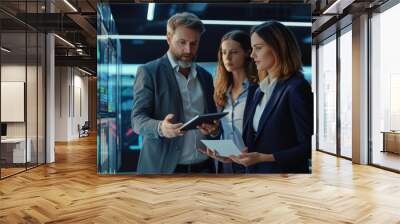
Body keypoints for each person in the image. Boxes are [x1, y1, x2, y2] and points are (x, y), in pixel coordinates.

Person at [203, 21, 313, 173]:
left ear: (277, 48)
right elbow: (254, 145)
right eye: (253, 49)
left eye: (258, 48)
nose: (253, 55)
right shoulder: (260, 91)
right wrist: (231, 157)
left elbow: (309, 147)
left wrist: (264, 158)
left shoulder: (296, 88)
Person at [131, 12, 220, 174]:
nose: (188, 49)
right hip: (164, 169)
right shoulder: (149, 72)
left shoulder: (205, 77)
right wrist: (160, 128)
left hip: (204, 167)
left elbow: (212, 120)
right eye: (182, 42)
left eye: (194, 43)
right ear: (169, 39)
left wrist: (214, 130)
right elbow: (137, 120)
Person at [198, 30, 258, 173]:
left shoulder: (258, 89)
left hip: (252, 163)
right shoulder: (221, 91)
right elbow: (225, 131)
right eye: (224, 52)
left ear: (247, 53)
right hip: (225, 163)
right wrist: (215, 131)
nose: (228, 58)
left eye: (234, 52)